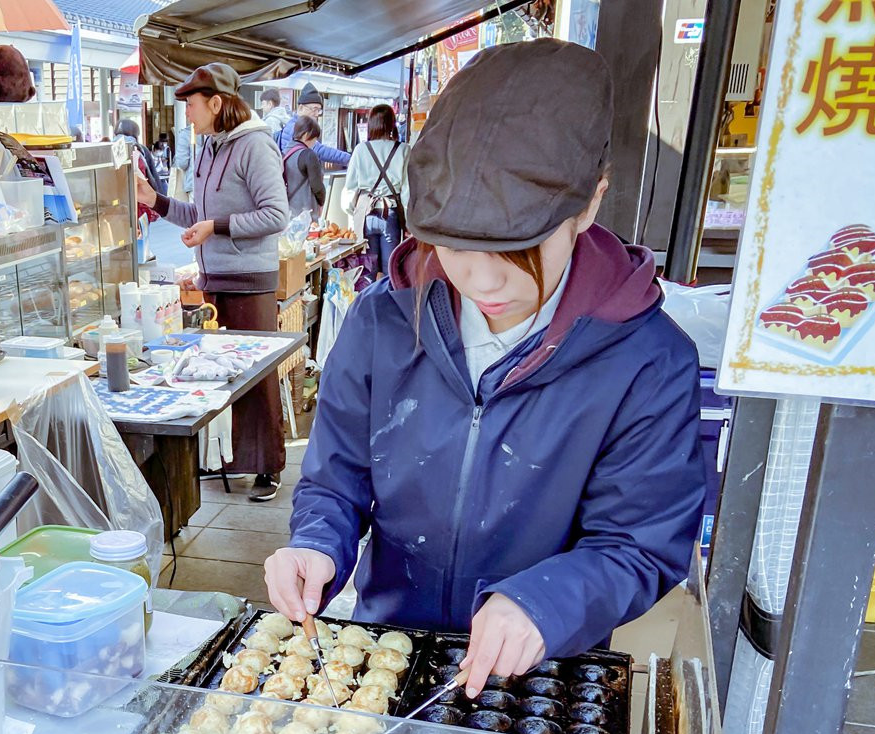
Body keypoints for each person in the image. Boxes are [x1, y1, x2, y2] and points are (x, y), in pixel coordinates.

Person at [266, 40, 705, 698]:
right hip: (391, 653)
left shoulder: (646, 362)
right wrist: (316, 544)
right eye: (454, 242)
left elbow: (640, 543)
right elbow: (335, 483)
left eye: (517, 246)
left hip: (541, 671)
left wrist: (548, 603)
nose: (479, 276)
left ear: (589, 205)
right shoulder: (383, 326)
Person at [135, 63, 289, 503]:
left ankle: (268, 467)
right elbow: (198, 217)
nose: (186, 113)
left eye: (191, 104)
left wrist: (216, 228)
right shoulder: (207, 147)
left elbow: (275, 215)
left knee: (256, 377)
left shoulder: (255, 146)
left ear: (217, 103)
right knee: (218, 376)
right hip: (213, 278)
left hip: (250, 280)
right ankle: (230, 460)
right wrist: (157, 201)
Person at [345, 104, 408, 278]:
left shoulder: (360, 150)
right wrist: (408, 222)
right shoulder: (403, 149)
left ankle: (368, 303)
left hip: (366, 214)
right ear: (392, 124)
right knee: (390, 270)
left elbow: (350, 188)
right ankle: (387, 303)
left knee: (367, 270)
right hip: (390, 214)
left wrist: (353, 212)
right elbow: (407, 191)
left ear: (371, 124)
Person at [276, 84, 349, 167]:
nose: (317, 114)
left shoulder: (299, 126)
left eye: (319, 110)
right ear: (301, 108)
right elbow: (318, 150)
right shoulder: (294, 128)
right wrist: (348, 158)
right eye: (314, 109)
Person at [283, 118, 326, 219]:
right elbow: (317, 186)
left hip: (287, 212)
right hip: (306, 213)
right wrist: (321, 202)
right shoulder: (308, 155)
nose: (314, 143)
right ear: (307, 135)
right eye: (315, 139)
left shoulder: (284, 152)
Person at [115, 119, 166, 197]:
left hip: (115, 195)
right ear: (135, 133)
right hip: (140, 196)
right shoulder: (139, 149)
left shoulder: (108, 148)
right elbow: (153, 176)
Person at [171, 121, 195, 203]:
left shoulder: (186, 134)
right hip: (216, 185)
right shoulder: (215, 133)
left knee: (195, 213)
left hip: (194, 183)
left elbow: (182, 163)